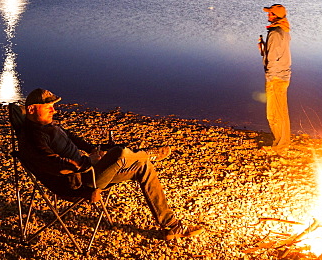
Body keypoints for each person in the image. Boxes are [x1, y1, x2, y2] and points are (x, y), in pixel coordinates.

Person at [16, 88, 202, 241]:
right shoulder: (33, 137)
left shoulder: (47, 126)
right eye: (48, 107)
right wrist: (87, 164)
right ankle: (148, 154)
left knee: (143, 167)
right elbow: (53, 164)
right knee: (120, 154)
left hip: (90, 170)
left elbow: (71, 138)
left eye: (53, 106)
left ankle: (171, 226)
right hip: (82, 181)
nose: (54, 110)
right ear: (32, 109)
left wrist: (93, 149)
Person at [258, 3, 292, 154]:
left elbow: (272, 59)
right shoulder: (283, 30)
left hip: (276, 77)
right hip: (282, 75)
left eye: (270, 13)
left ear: (276, 16)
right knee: (279, 112)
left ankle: (281, 147)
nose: (268, 15)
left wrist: (270, 77)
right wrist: (264, 49)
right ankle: (281, 143)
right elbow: (276, 54)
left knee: (275, 113)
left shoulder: (275, 33)